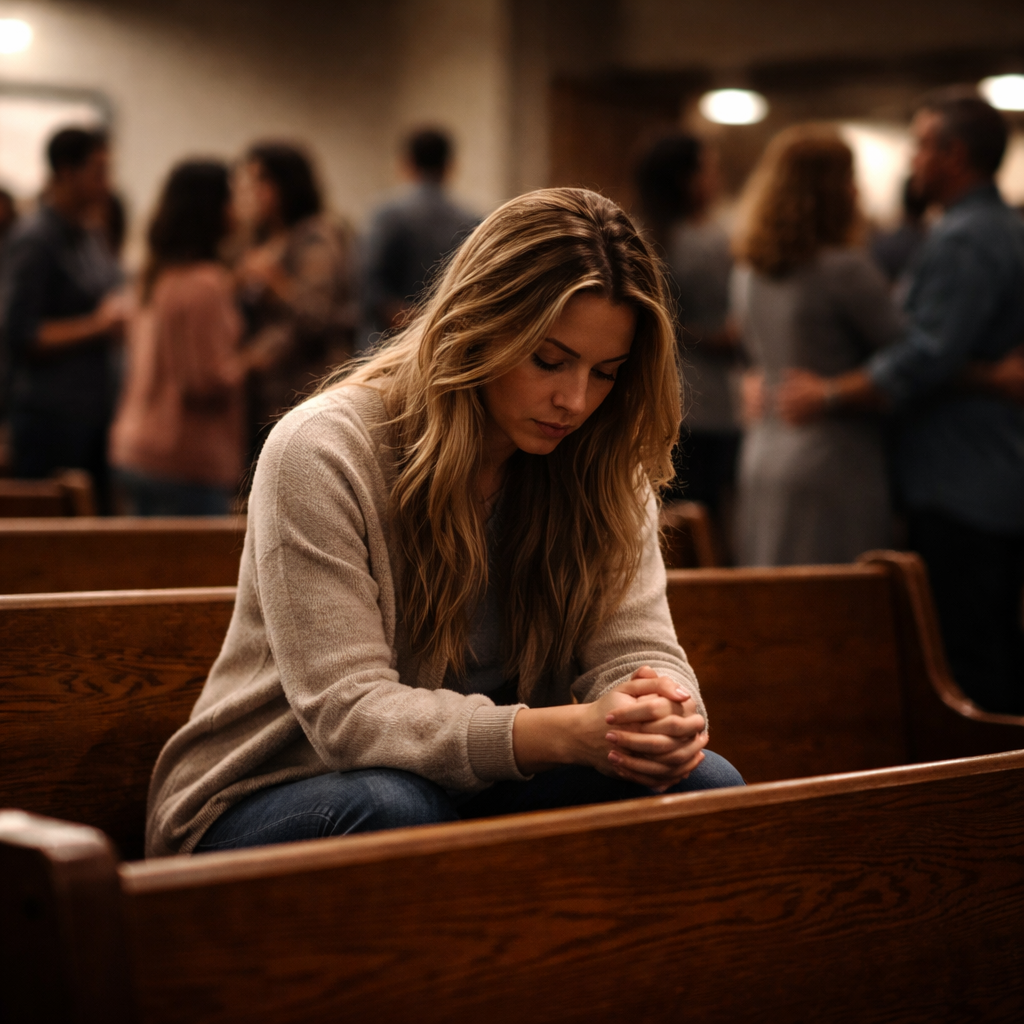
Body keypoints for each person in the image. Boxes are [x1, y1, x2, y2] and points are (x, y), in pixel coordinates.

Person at [145, 187, 743, 858]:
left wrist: (658, 711)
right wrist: (572, 732)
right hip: (278, 788)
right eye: (548, 360)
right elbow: (351, 716)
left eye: (606, 373)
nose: (574, 400)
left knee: (701, 782)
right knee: (397, 808)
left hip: (470, 791)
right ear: (479, 324)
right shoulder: (323, 449)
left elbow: (637, 650)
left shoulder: (600, 460)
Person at [776, 93, 1024, 714]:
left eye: (920, 144)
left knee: (971, 662)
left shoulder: (966, 236)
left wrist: (830, 391)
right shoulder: (997, 226)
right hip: (981, 467)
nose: (911, 161)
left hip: (961, 477)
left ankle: (985, 802)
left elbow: (924, 354)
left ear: (954, 154)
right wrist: (990, 375)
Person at [731, 126, 903, 566]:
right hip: (832, 458)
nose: (856, 189)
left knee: (776, 606)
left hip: (762, 451)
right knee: (838, 612)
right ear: (832, 189)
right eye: (849, 177)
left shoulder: (748, 270)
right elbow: (908, 360)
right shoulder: (844, 268)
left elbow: (752, 358)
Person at [109, 161, 246, 516]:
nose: (239, 210)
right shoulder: (206, 283)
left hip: (135, 446)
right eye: (232, 199)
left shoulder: (155, 274)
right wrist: (252, 362)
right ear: (213, 209)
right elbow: (203, 382)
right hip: (185, 457)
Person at [1, 127, 125, 510]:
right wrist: (98, 327)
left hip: (92, 410)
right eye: (99, 171)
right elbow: (21, 334)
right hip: (49, 417)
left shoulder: (89, 235)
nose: (107, 183)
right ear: (67, 172)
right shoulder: (35, 239)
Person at [634, 134, 741, 548]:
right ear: (687, 179)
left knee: (662, 529)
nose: (717, 180)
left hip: (653, 401)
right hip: (709, 403)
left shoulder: (638, 233)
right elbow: (732, 332)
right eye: (711, 170)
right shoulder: (709, 241)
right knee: (705, 530)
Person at [235, 141, 359, 460]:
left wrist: (273, 283)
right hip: (265, 394)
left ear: (284, 185)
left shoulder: (316, 236)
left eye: (261, 182)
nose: (253, 193)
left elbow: (316, 314)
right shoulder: (261, 236)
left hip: (303, 391)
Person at [362, 127, 479, 339]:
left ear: (407, 163)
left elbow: (370, 287)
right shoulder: (471, 220)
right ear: (450, 166)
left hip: (391, 344)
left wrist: (410, 323)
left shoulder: (387, 215)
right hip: (446, 340)